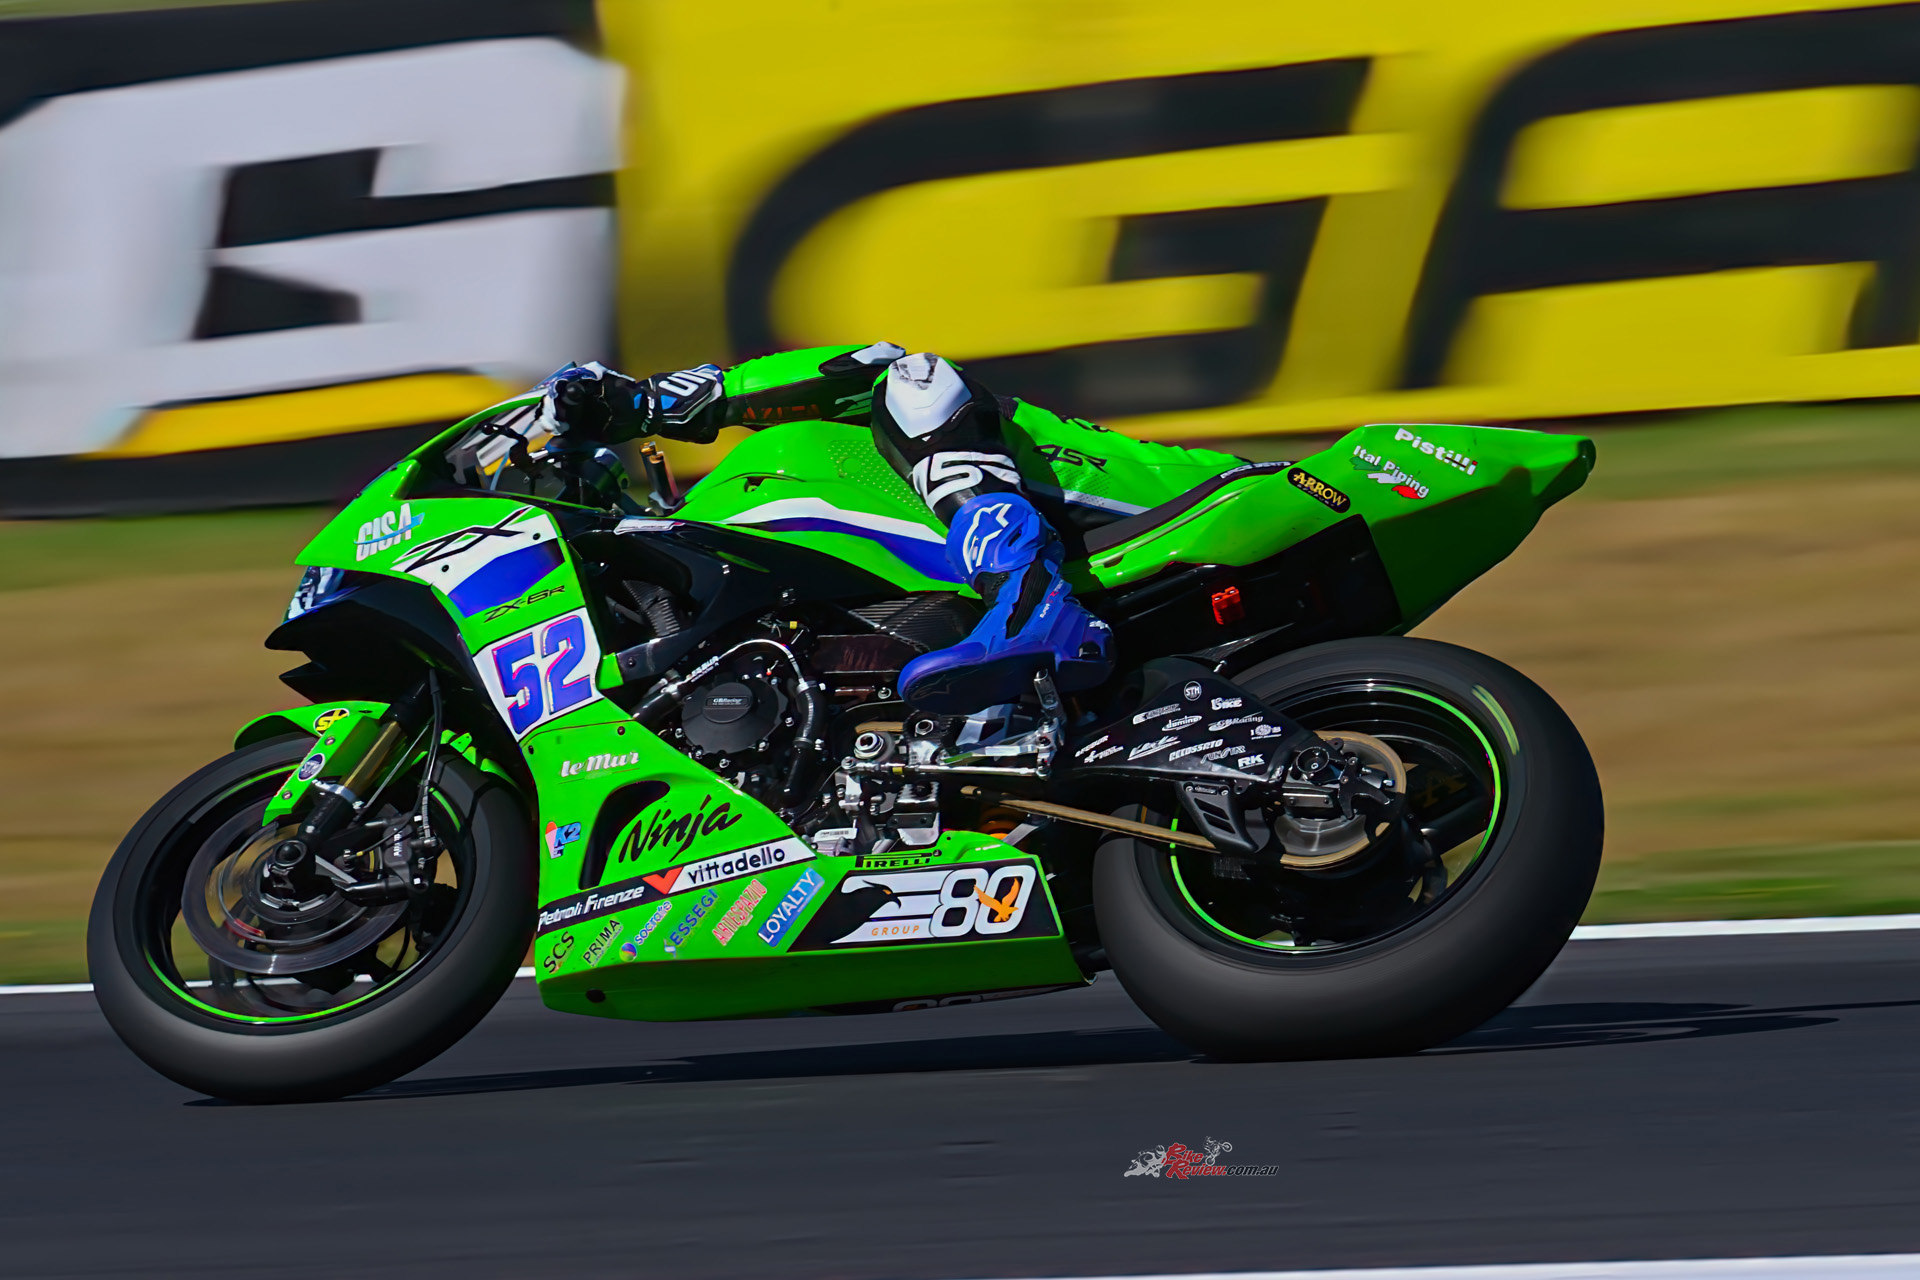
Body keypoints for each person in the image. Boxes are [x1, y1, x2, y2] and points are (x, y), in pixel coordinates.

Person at [534, 343, 1240, 715]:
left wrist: (657, 402)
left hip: (1173, 496)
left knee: (915, 380)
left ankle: (1028, 599)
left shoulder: (763, 471)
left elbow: (873, 360)